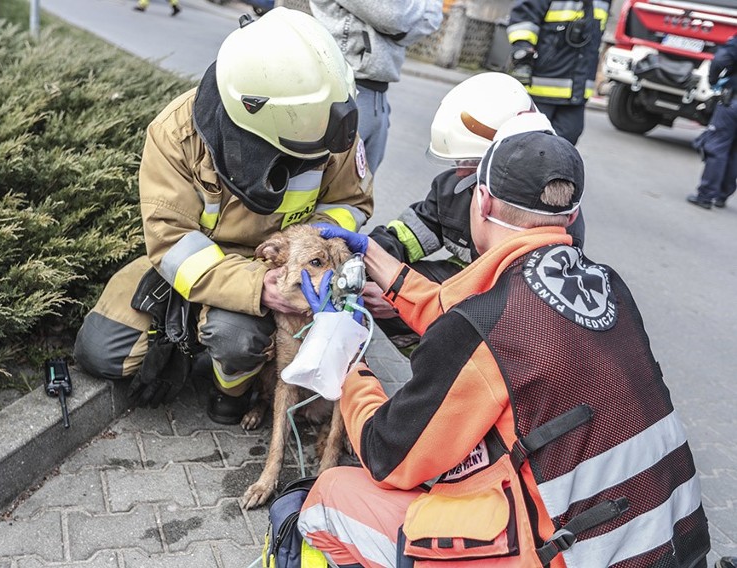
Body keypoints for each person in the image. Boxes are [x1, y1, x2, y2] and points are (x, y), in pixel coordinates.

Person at [297, 131, 710, 567]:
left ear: (483, 202)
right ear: (569, 217)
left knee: (328, 497)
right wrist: (381, 262)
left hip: (570, 555)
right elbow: (481, 320)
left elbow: (387, 454)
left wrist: (341, 346)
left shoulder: (485, 328)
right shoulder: (609, 286)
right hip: (672, 545)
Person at [73, 7, 373, 425]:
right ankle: (187, 337)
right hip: (194, 265)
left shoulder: (322, 119)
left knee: (236, 339)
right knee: (101, 352)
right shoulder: (176, 134)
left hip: (281, 266)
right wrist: (254, 286)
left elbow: (351, 204)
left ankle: (231, 392)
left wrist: (301, 261)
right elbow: (173, 242)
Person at [364, 72, 584, 344]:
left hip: (502, 328)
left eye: (467, 161)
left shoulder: (551, 214)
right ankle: (431, 366)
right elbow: (407, 234)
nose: (459, 173)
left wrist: (409, 300)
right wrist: (360, 259)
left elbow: (514, 306)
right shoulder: (453, 189)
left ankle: (449, 376)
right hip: (460, 293)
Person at [309, 0, 443, 175]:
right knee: (335, 185)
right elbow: (392, 15)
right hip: (346, 91)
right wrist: (403, 26)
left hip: (377, 95)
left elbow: (433, 17)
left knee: (360, 192)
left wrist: (400, 27)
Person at [506, 0, 611, 145]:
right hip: (540, 88)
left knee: (566, 141)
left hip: (576, 93)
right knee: (529, 143)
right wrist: (523, 49)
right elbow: (524, 17)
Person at [688, 33, 737, 209]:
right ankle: (722, 195)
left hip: (733, 103)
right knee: (734, 150)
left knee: (717, 147)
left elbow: (721, 60)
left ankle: (706, 195)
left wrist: (713, 80)